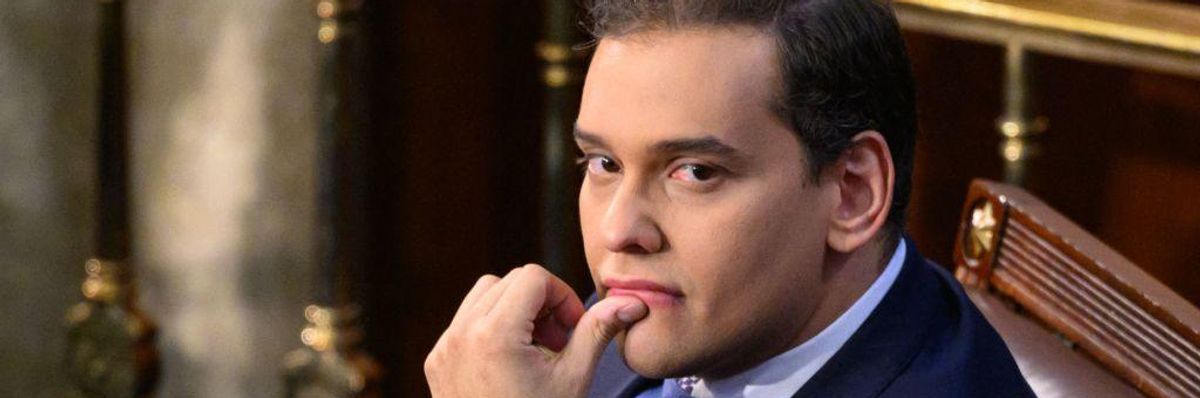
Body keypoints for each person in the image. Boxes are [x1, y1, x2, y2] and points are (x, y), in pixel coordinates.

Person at [424, 0, 1035, 396]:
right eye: (605, 163)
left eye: (694, 172)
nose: (619, 229)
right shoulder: (677, 307)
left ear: (852, 192)